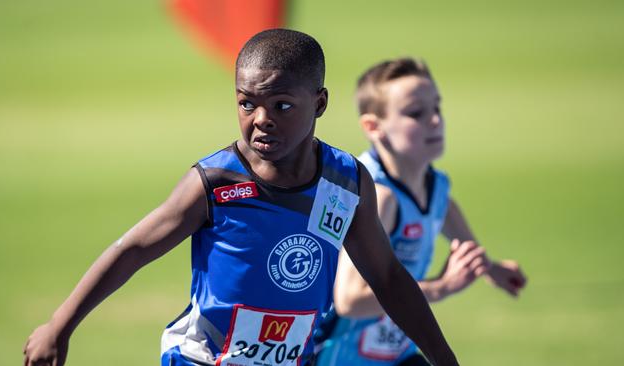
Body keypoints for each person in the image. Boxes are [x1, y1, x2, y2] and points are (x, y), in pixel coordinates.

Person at [23, 31, 459, 366]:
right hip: (201, 359)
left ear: (320, 103)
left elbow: (387, 278)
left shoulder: (345, 182)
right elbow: (133, 250)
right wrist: (59, 327)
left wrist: (444, 358)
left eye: (282, 105)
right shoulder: (214, 182)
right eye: (247, 104)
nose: (262, 120)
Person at [315, 58, 527, 366]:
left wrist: (489, 268)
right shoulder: (379, 196)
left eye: (436, 108)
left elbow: (443, 213)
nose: (436, 121)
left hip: (395, 353)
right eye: (416, 113)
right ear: (374, 127)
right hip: (342, 358)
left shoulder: (434, 185)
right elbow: (348, 301)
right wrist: (441, 287)